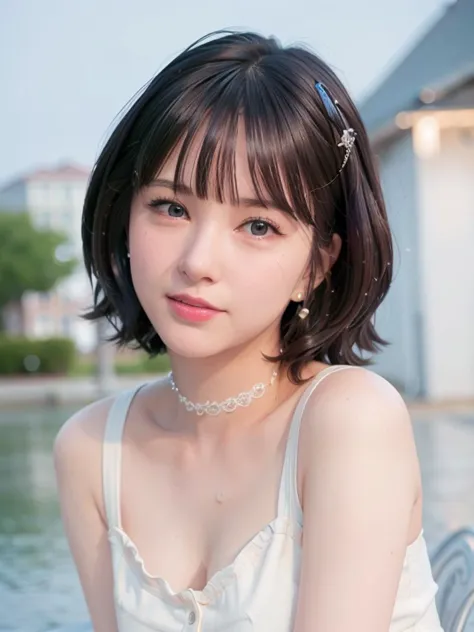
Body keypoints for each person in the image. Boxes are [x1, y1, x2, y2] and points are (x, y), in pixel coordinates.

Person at [54, 31, 444, 632]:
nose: (198, 260)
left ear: (315, 264)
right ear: (123, 213)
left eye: (257, 225)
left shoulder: (347, 421)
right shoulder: (89, 451)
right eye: (171, 207)